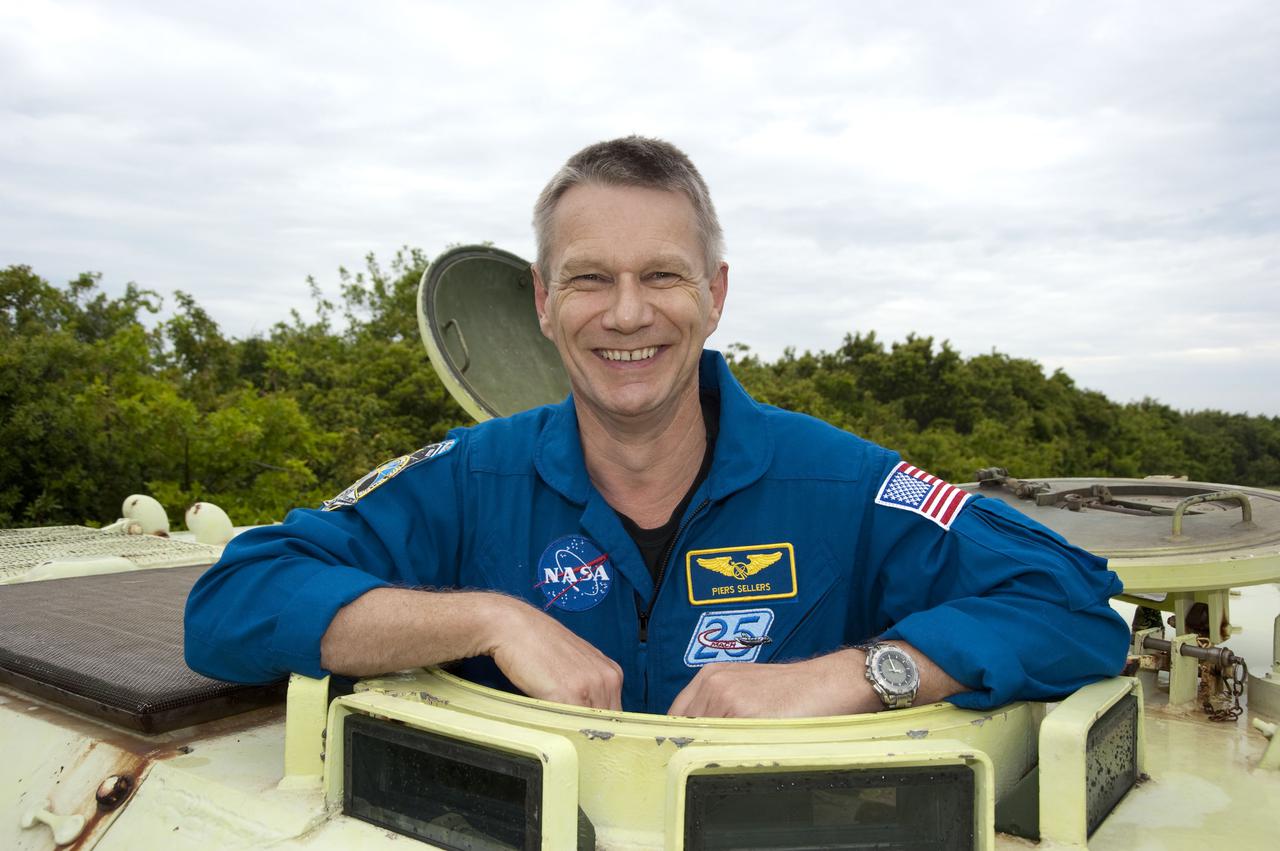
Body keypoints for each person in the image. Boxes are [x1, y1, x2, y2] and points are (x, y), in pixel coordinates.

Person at [185, 136, 1129, 717]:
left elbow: (1077, 608)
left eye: (663, 276)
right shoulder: (472, 478)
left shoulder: (844, 486)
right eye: (591, 278)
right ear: (545, 303)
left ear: (714, 296)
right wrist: (485, 616)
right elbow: (234, 603)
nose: (627, 314)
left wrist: (860, 672)